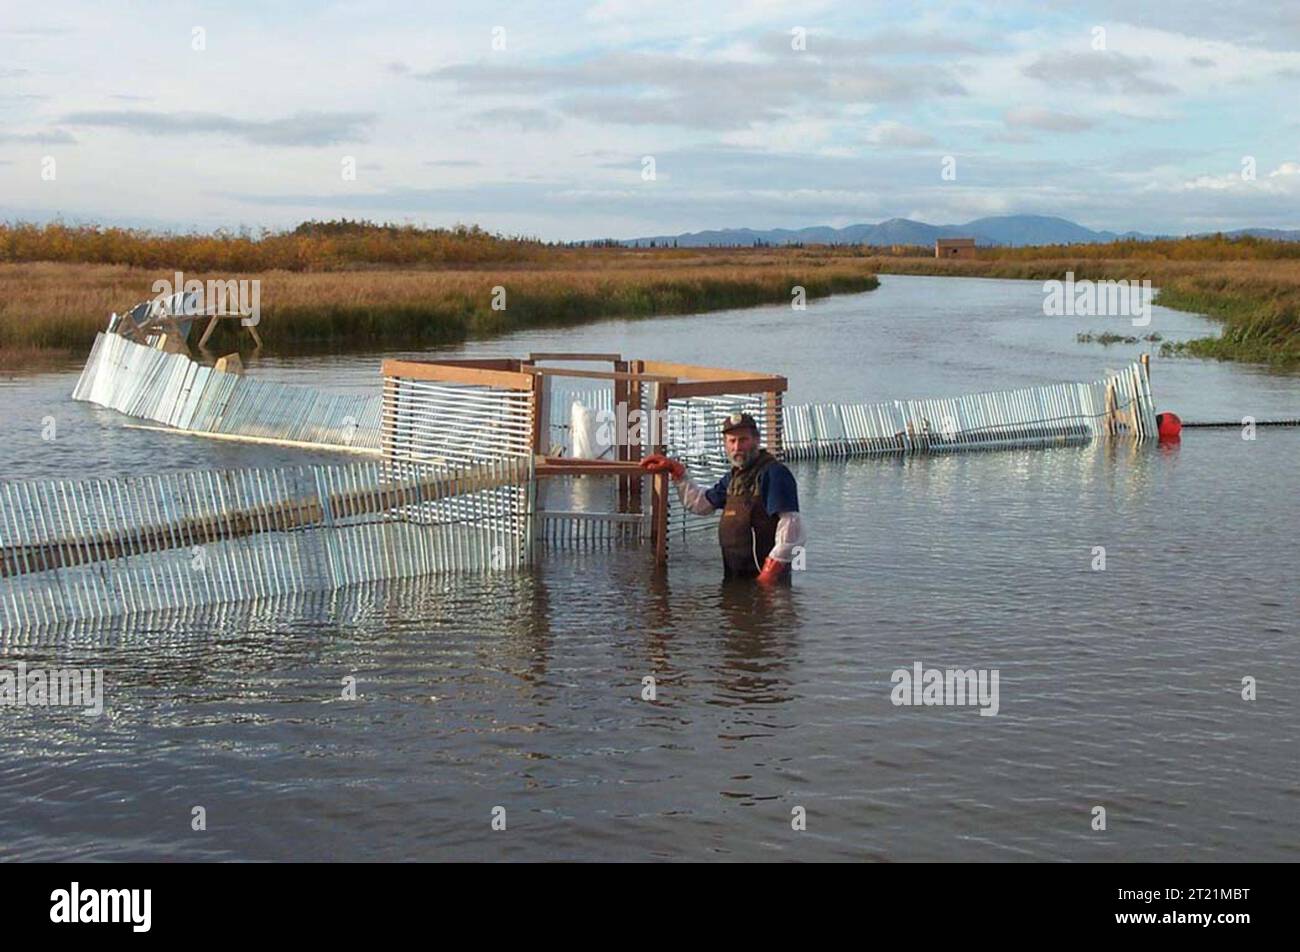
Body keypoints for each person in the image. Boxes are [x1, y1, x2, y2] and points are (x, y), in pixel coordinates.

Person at [640, 412, 804, 584]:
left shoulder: (774, 474)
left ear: (756, 440)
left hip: (767, 583)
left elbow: (792, 526)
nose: (737, 447)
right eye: (732, 441)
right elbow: (701, 504)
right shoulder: (734, 478)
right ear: (725, 444)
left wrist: (768, 575)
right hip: (735, 579)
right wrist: (677, 472)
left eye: (743, 440)